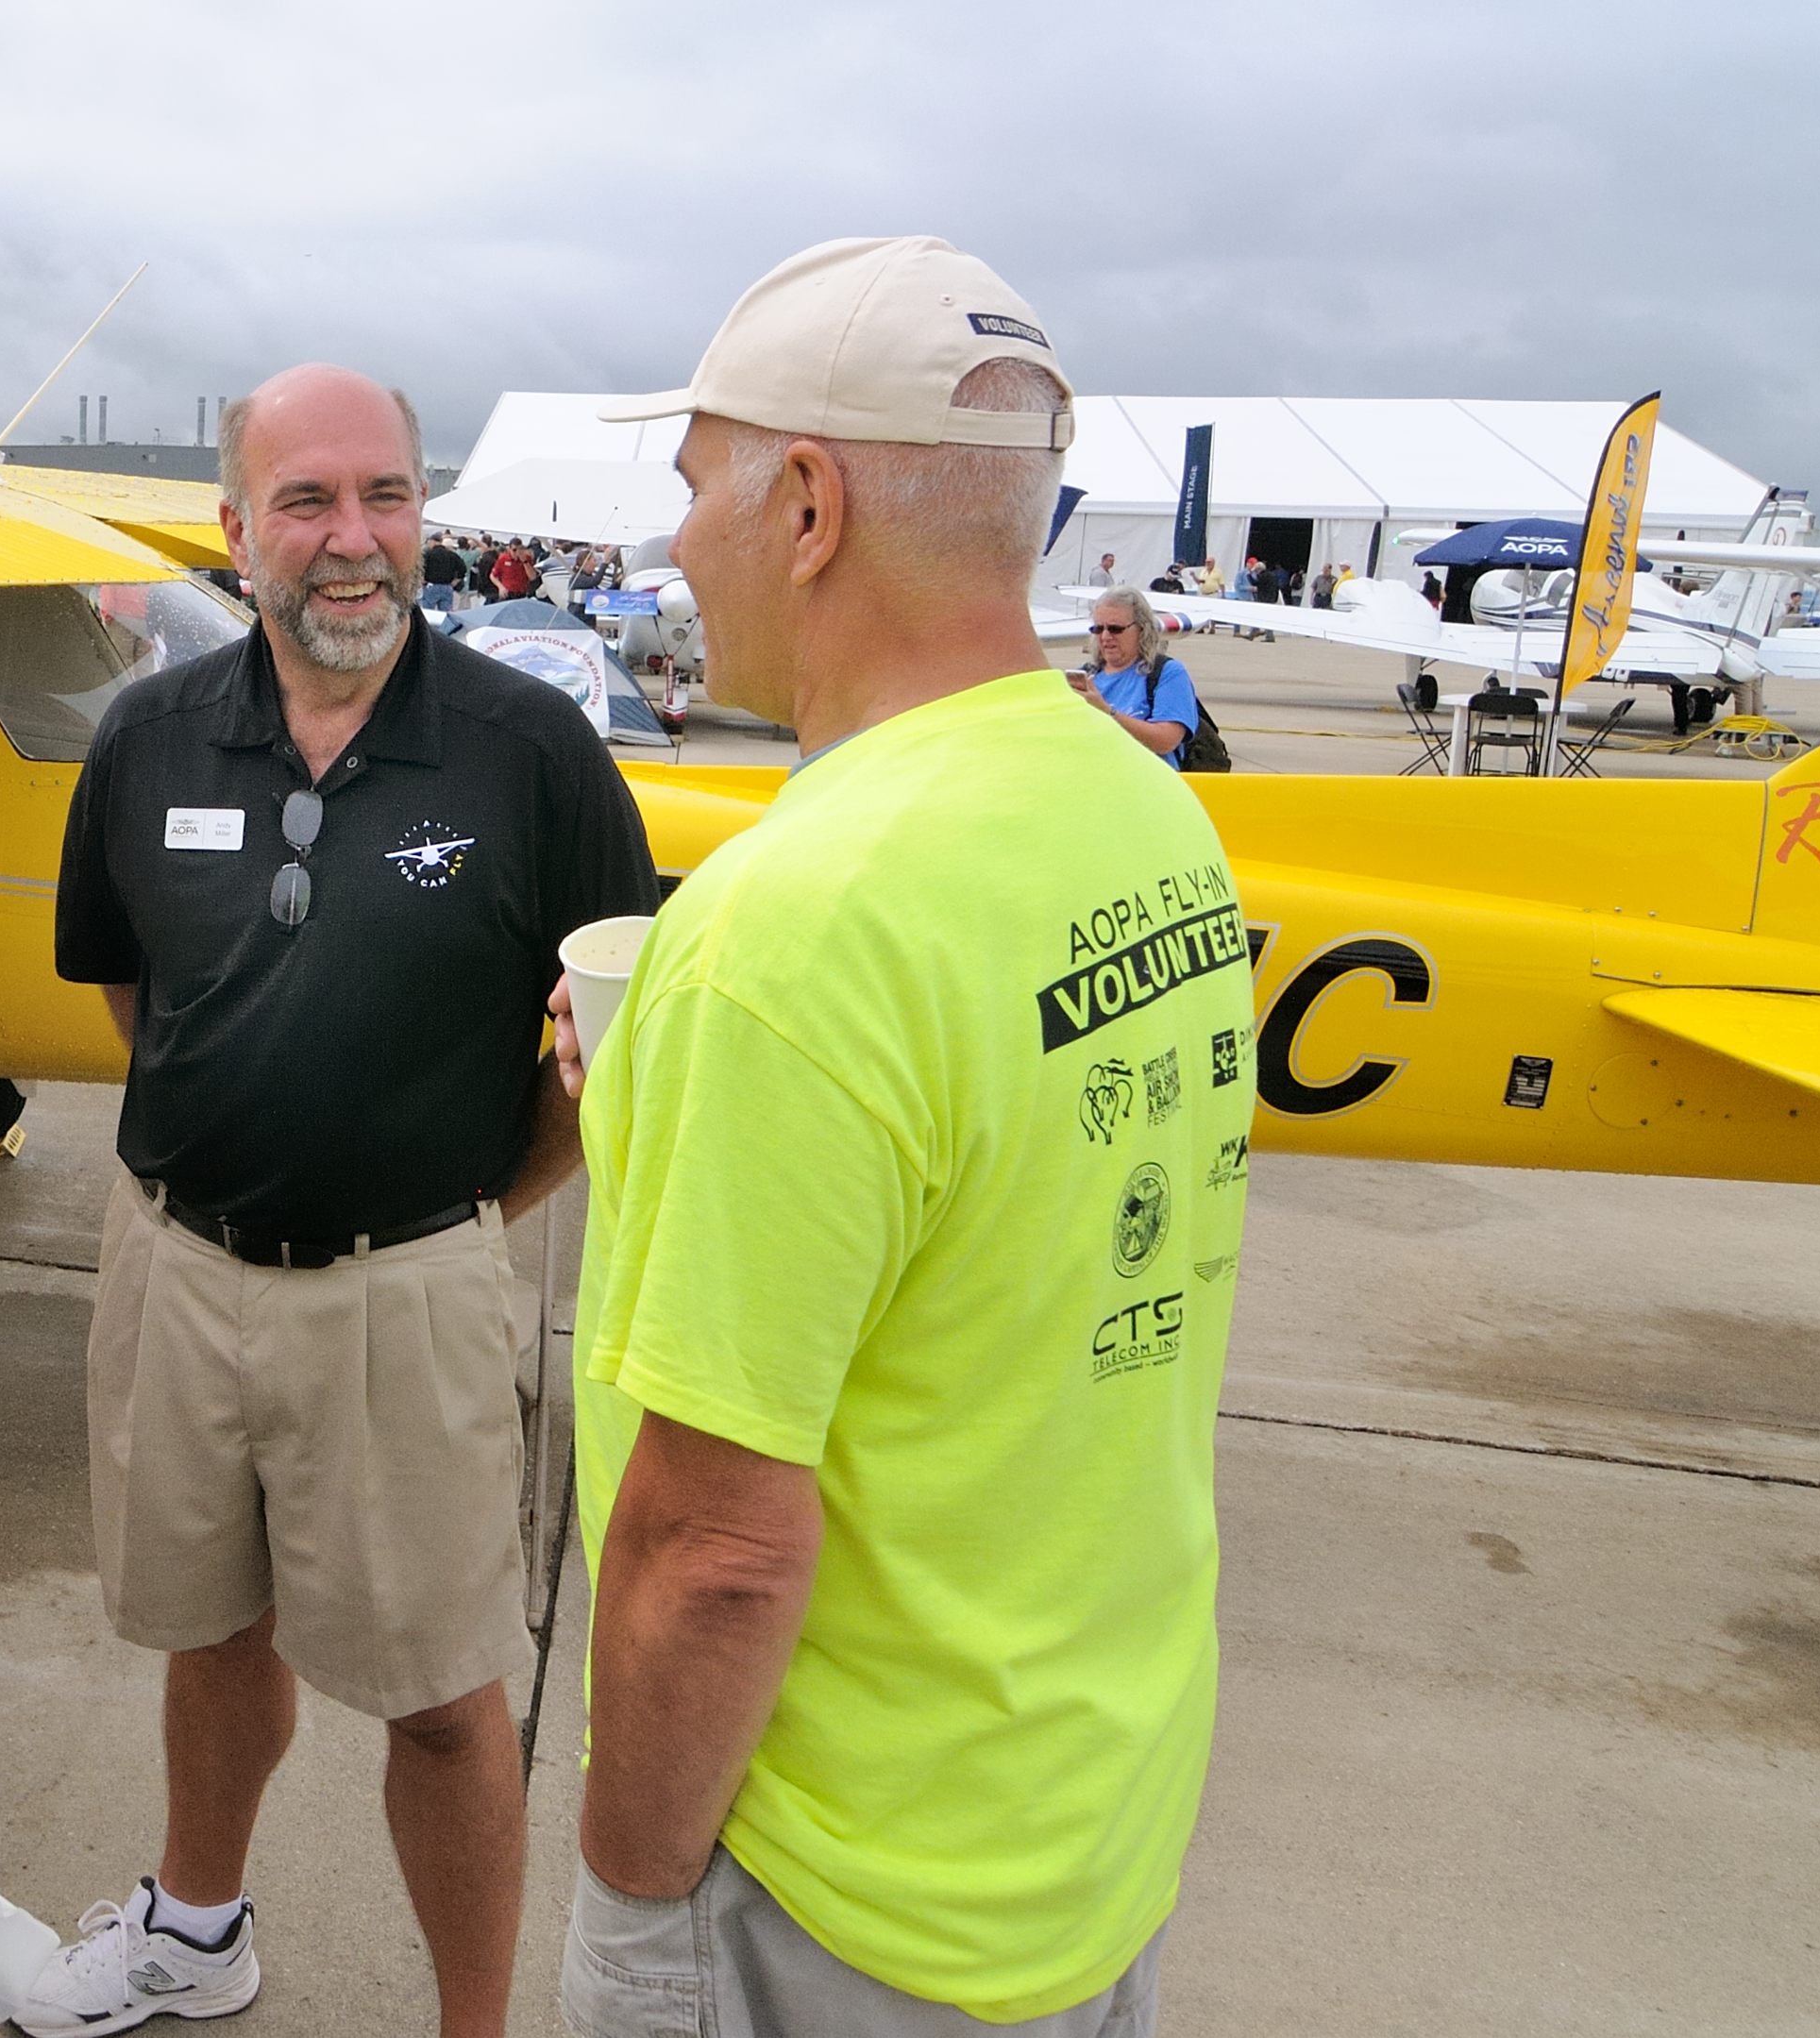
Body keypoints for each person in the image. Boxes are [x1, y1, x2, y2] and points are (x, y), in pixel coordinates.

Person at [549, 237, 1251, 2035]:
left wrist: (636, 1894)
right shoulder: (1147, 810)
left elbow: (715, 1546)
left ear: (804, 503)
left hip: (836, 1888)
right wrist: (655, 1107)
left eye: (695, 478)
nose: (675, 537)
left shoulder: (793, 925)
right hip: (1078, 1832)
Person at [33, 362, 659, 2038]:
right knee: (208, 1627)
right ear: (235, 529)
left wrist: (455, 1210)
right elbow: (136, 1000)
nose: (352, 538)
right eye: (305, 500)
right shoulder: (148, 736)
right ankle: (192, 1926)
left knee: (446, 1700)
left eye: (383, 494)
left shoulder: (530, 754)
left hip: (411, 1288)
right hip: (177, 1266)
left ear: (425, 512)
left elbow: (607, 1040)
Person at [1073, 586, 1200, 766]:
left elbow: (1166, 741)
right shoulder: (1086, 676)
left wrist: (1106, 712)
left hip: (1149, 788)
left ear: (1142, 629)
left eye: (1115, 629)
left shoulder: (1167, 673)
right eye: (1098, 629)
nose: (1105, 637)